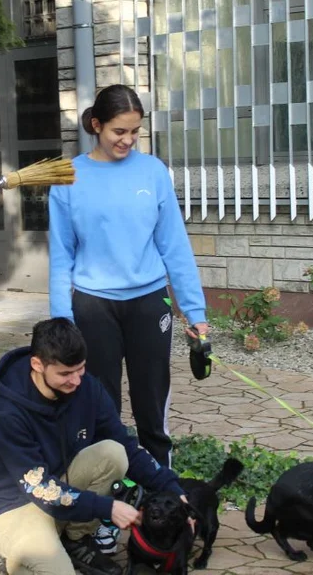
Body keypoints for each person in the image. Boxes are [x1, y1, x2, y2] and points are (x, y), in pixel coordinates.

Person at [48, 83, 209, 468]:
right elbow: (60, 256)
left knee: (151, 403)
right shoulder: (67, 177)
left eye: (135, 131)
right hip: (93, 305)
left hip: (150, 301)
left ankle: (160, 492)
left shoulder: (152, 172)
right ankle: (109, 500)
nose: (128, 140)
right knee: (100, 407)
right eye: (119, 131)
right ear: (96, 125)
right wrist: (61, 321)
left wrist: (196, 314)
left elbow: (174, 245)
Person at [0, 318, 190, 575]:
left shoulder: (86, 388)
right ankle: (9, 557)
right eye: (65, 373)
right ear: (37, 365)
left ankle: (74, 541)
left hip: (60, 489)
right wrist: (107, 508)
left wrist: (173, 489)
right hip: (13, 506)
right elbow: (41, 488)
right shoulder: (5, 413)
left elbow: (126, 445)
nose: (76, 381)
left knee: (113, 453)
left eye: (81, 369)